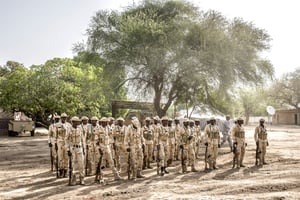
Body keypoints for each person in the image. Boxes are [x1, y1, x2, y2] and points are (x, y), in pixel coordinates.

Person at [94, 117, 122, 183]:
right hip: (101, 147)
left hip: (107, 146)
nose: (107, 123)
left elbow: (111, 137)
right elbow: (96, 140)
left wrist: (112, 145)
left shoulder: (108, 128)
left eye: (107, 122)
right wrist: (99, 149)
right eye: (105, 122)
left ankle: (116, 176)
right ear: (102, 122)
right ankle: (101, 177)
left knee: (111, 161)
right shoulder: (98, 129)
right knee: (102, 163)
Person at [66, 116, 85, 185]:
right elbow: (66, 140)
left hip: (79, 148)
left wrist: (84, 149)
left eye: (78, 121)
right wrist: (68, 149)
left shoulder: (80, 129)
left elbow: (83, 140)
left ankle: (82, 178)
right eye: (76, 121)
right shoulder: (69, 129)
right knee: (72, 164)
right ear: (73, 122)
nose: (77, 122)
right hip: (72, 148)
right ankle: (73, 179)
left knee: (81, 163)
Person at [53, 112, 71, 178]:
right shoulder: (57, 125)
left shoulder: (69, 125)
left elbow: (70, 135)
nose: (64, 118)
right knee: (60, 157)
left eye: (65, 117)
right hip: (59, 142)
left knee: (66, 157)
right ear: (61, 118)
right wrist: (55, 143)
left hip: (67, 143)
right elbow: (55, 135)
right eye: (63, 117)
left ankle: (66, 170)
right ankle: (61, 170)